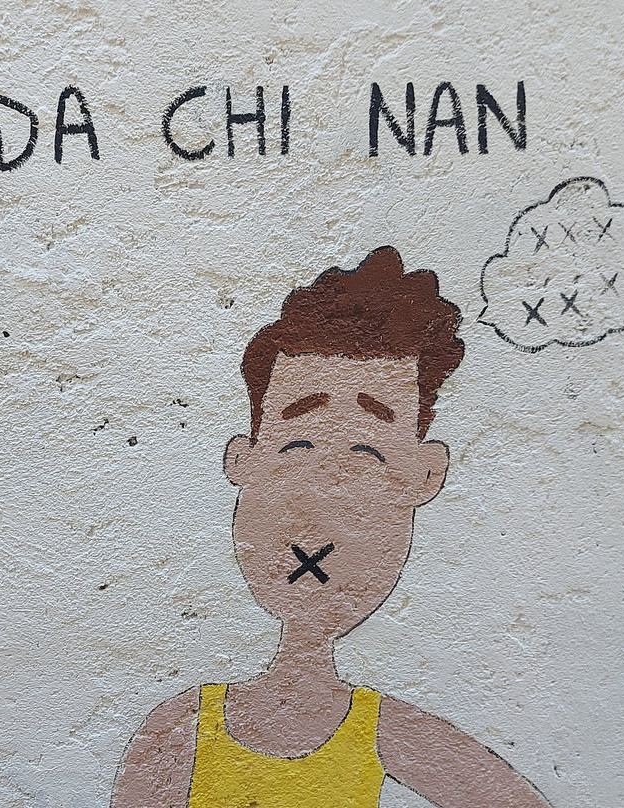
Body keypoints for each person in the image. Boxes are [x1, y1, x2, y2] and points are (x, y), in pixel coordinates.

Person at [111, 246, 550, 808]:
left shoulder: (386, 732)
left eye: (367, 455)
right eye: (297, 447)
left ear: (424, 476)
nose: (322, 498)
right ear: (243, 460)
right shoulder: (180, 732)